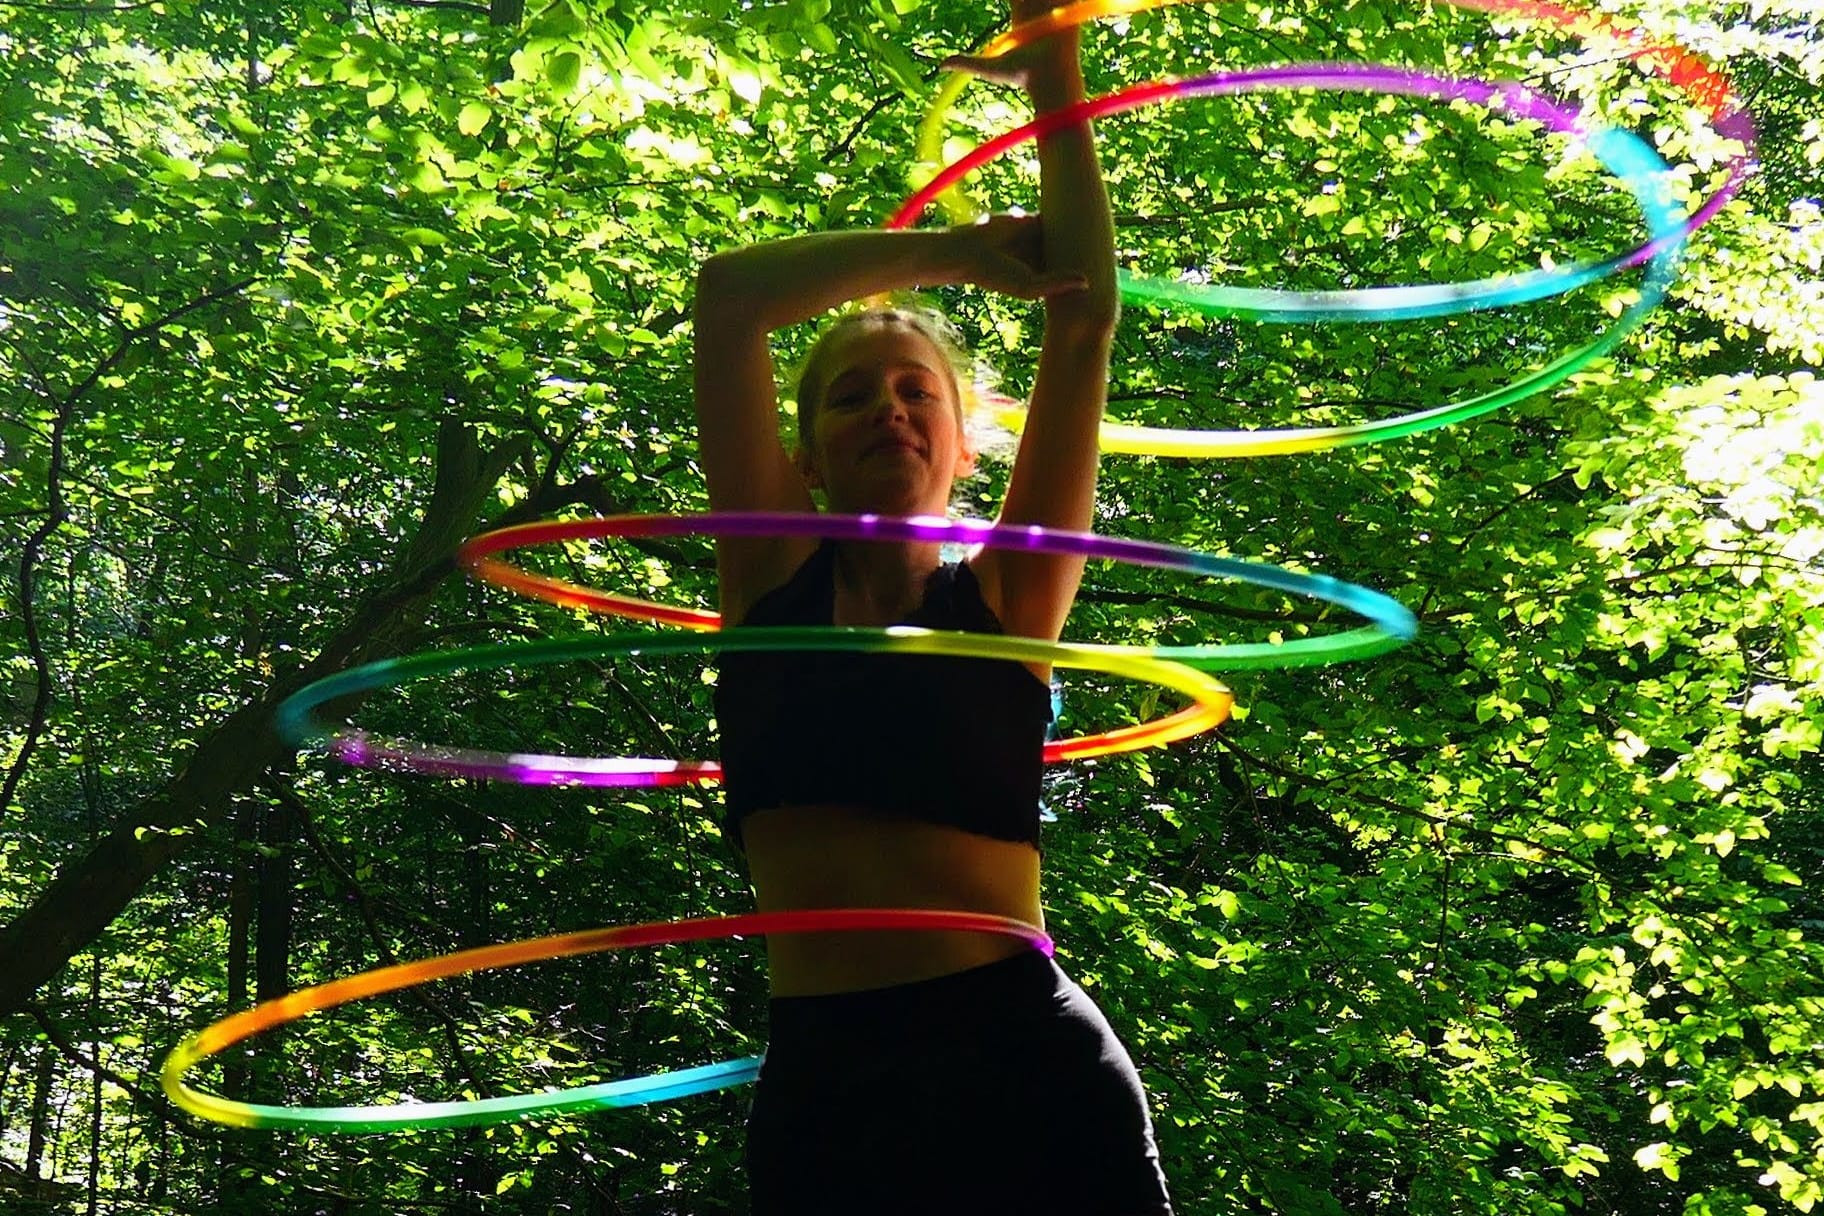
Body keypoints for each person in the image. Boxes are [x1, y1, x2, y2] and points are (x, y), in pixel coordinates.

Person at [692, 6, 1173, 1213]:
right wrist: (954, 256)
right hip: (831, 1079)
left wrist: (1052, 60)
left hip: (1025, 1061)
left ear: (962, 448)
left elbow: (1085, 315)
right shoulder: (764, 580)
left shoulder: (1008, 595)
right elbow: (729, 298)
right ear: (804, 454)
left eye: (918, 393)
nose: (887, 411)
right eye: (850, 396)